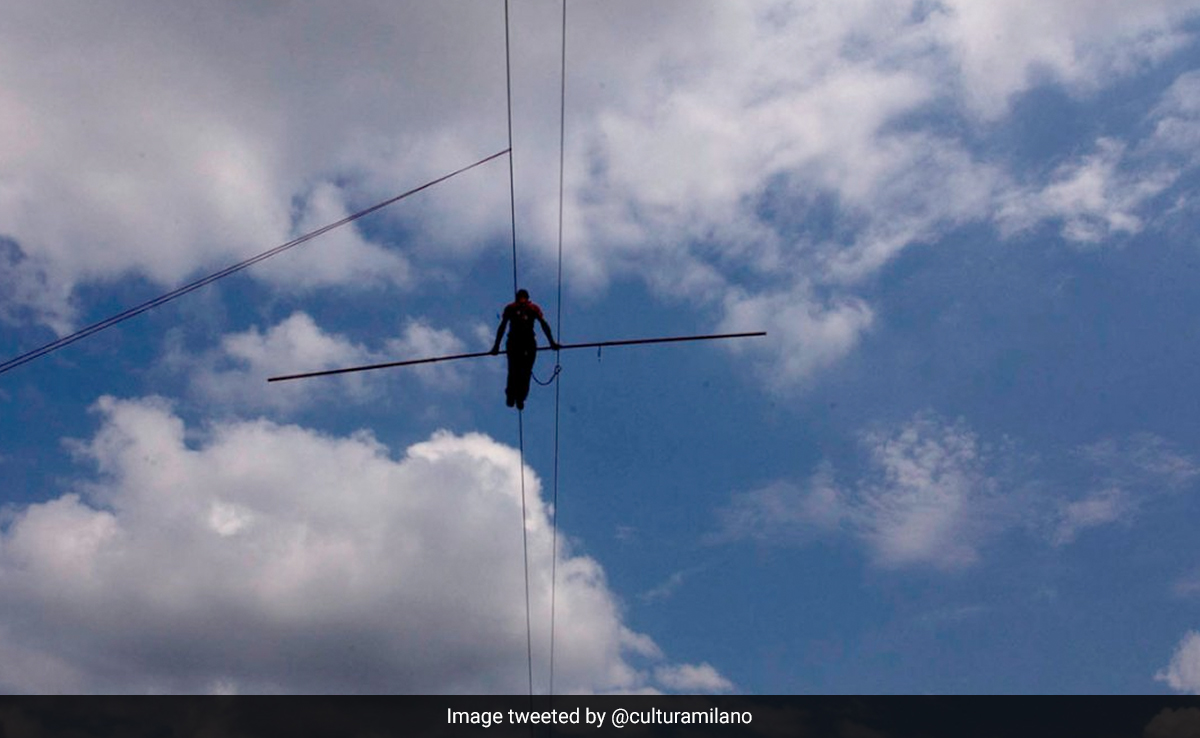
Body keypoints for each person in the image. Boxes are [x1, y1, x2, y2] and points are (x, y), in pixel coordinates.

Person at [490, 289, 559, 410]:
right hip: (518, 343)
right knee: (518, 371)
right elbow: (502, 326)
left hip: (525, 343)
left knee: (521, 371)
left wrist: (552, 342)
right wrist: (496, 346)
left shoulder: (530, 308)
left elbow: (544, 324)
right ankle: (513, 396)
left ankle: (518, 397)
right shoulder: (514, 307)